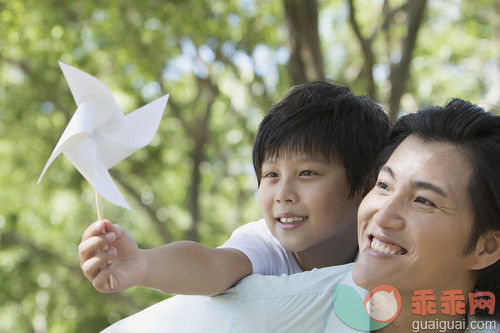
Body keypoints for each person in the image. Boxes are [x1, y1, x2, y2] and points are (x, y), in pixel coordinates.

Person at [102, 98, 500, 333]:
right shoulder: (271, 290)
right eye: (385, 186)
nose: (384, 215)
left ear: (487, 246)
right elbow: (210, 264)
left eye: (424, 201)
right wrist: (145, 264)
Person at [78, 81, 391, 295]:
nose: (283, 193)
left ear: (366, 184)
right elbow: (213, 264)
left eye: (307, 172)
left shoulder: (390, 247)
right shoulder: (266, 247)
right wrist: (144, 265)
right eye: (270, 175)